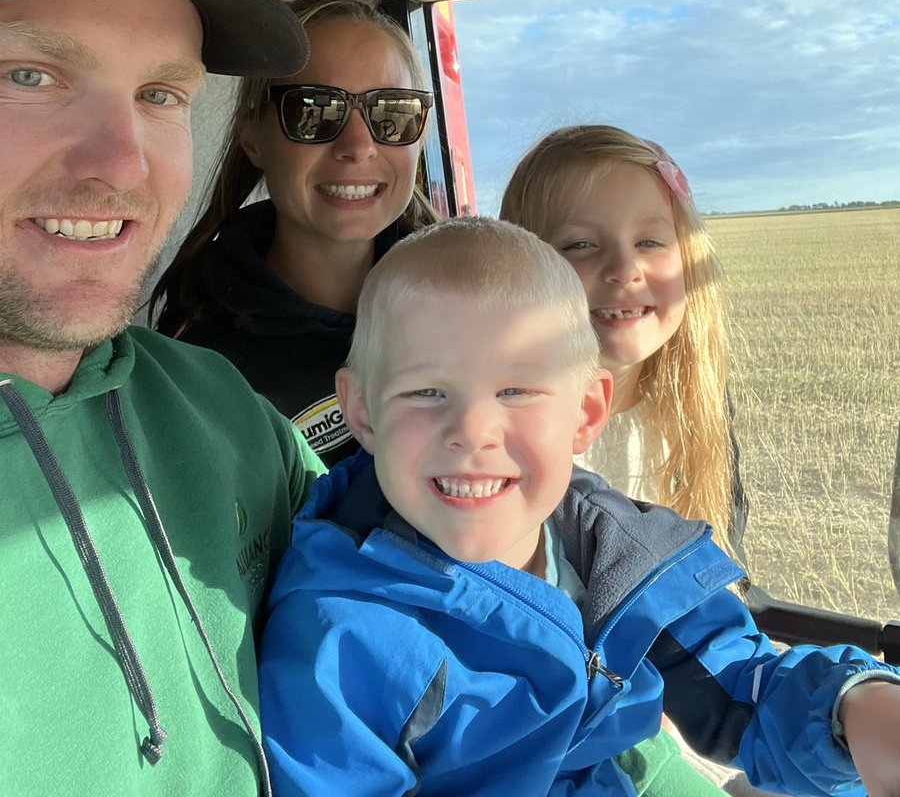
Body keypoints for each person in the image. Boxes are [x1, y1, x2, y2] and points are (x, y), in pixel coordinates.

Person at [258, 216, 900, 797]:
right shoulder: (339, 638)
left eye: (516, 390)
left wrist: (857, 706)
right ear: (362, 412)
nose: (473, 430)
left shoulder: (617, 553)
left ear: (586, 412)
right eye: (426, 391)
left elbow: (742, 687)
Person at [0, 0, 324, 797]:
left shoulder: (212, 406)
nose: (122, 164)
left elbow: (442, 585)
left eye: (159, 95)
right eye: (31, 75)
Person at [151, 0, 438, 467]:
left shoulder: (471, 300)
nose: (358, 146)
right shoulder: (202, 361)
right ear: (252, 137)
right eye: (314, 111)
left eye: (393, 112)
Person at [500, 125, 744, 557]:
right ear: (523, 267)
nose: (625, 268)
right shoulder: (505, 432)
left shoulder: (696, 407)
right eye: (580, 245)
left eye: (649, 241)